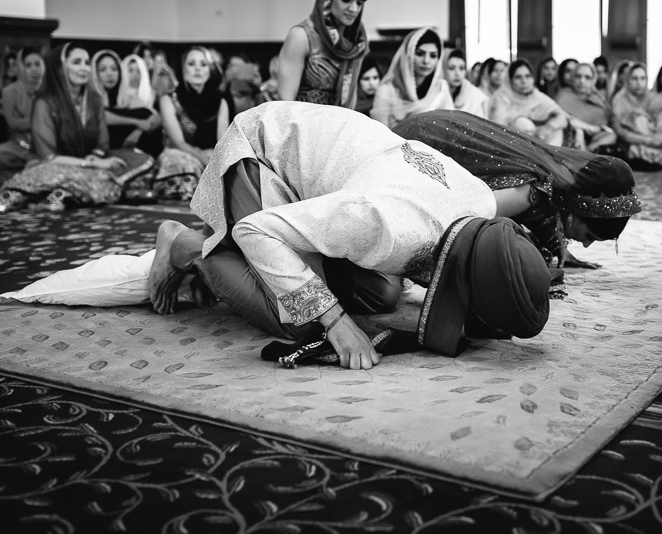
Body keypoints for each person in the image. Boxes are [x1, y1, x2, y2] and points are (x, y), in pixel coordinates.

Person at [147, 101, 553, 368]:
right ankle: (185, 246)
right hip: (262, 148)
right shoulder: (384, 224)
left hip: (330, 173)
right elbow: (259, 231)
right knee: (301, 321)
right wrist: (336, 320)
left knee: (382, 296)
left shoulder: (481, 204)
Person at [393, 109, 642, 270]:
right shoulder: (530, 190)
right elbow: (466, 219)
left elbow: (544, 213)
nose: (585, 245)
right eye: (589, 236)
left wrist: (557, 247)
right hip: (422, 143)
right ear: (578, 210)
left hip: (437, 125)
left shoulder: (557, 183)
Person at [0, 43, 153, 212]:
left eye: (87, 63)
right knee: (54, 172)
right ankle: (69, 192)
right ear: (60, 68)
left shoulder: (94, 99)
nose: (84, 68)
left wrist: (95, 159)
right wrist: (89, 164)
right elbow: (48, 157)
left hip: (91, 162)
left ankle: (66, 192)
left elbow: (102, 143)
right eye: (77, 62)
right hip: (56, 164)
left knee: (142, 160)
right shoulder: (45, 102)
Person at [277, 0, 369, 108]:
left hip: (341, 126)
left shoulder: (356, 41)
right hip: (304, 127)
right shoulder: (302, 36)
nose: (354, 9)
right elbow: (285, 102)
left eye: (359, 2)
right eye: (346, 0)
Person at [154, 46, 229, 200]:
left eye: (203, 65)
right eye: (191, 64)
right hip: (182, 154)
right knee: (181, 162)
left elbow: (223, 142)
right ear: (182, 69)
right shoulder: (169, 100)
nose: (197, 69)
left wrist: (214, 160)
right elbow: (178, 143)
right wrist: (202, 158)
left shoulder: (220, 101)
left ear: (210, 70)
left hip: (211, 155)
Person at [371, 27, 454, 128]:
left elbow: (450, 125)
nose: (426, 61)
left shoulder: (441, 89)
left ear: (438, 59)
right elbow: (380, 133)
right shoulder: (387, 90)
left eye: (433, 56)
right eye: (419, 54)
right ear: (408, 55)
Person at [610, 62, 662, 171]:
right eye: (634, 78)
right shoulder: (619, 100)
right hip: (633, 140)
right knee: (639, 119)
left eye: (642, 78)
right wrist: (647, 140)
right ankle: (660, 157)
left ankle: (654, 153)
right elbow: (619, 130)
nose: (639, 83)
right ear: (627, 80)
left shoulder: (652, 96)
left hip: (653, 136)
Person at [488, 59, 571, 146]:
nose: (524, 81)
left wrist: (548, 127)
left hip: (543, 144)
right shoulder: (501, 98)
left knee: (557, 128)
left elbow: (564, 116)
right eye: (518, 77)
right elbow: (498, 130)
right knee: (521, 122)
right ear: (510, 81)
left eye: (527, 76)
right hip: (514, 146)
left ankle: (548, 158)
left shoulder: (537, 96)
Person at [92, 51, 161, 151]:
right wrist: (137, 122)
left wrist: (138, 130)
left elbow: (154, 117)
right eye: (103, 69)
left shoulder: (125, 97)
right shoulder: (89, 98)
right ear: (95, 73)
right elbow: (100, 114)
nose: (109, 74)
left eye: (114, 69)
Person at [555, 62, 617, 154]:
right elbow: (560, 118)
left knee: (611, 136)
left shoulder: (598, 99)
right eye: (578, 76)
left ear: (594, 80)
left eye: (587, 77)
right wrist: (583, 129)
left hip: (593, 140)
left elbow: (604, 124)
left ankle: (588, 152)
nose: (582, 81)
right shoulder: (563, 95)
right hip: (568, 137)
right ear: (572, 78)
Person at [0, 47, 44, 171]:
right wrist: (42, 122)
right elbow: (13, 123)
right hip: (17, 147)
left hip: (46, 146)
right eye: (28, 65)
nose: (34, 69)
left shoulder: (50, 91)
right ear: (20, 67)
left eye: (37, 64)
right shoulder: (10, 91)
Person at [443, 48, 489, 118]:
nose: (457, 73)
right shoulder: (437, 92)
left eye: (461, 68)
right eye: (451, 68)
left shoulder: (476, 96)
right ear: (443, 69)